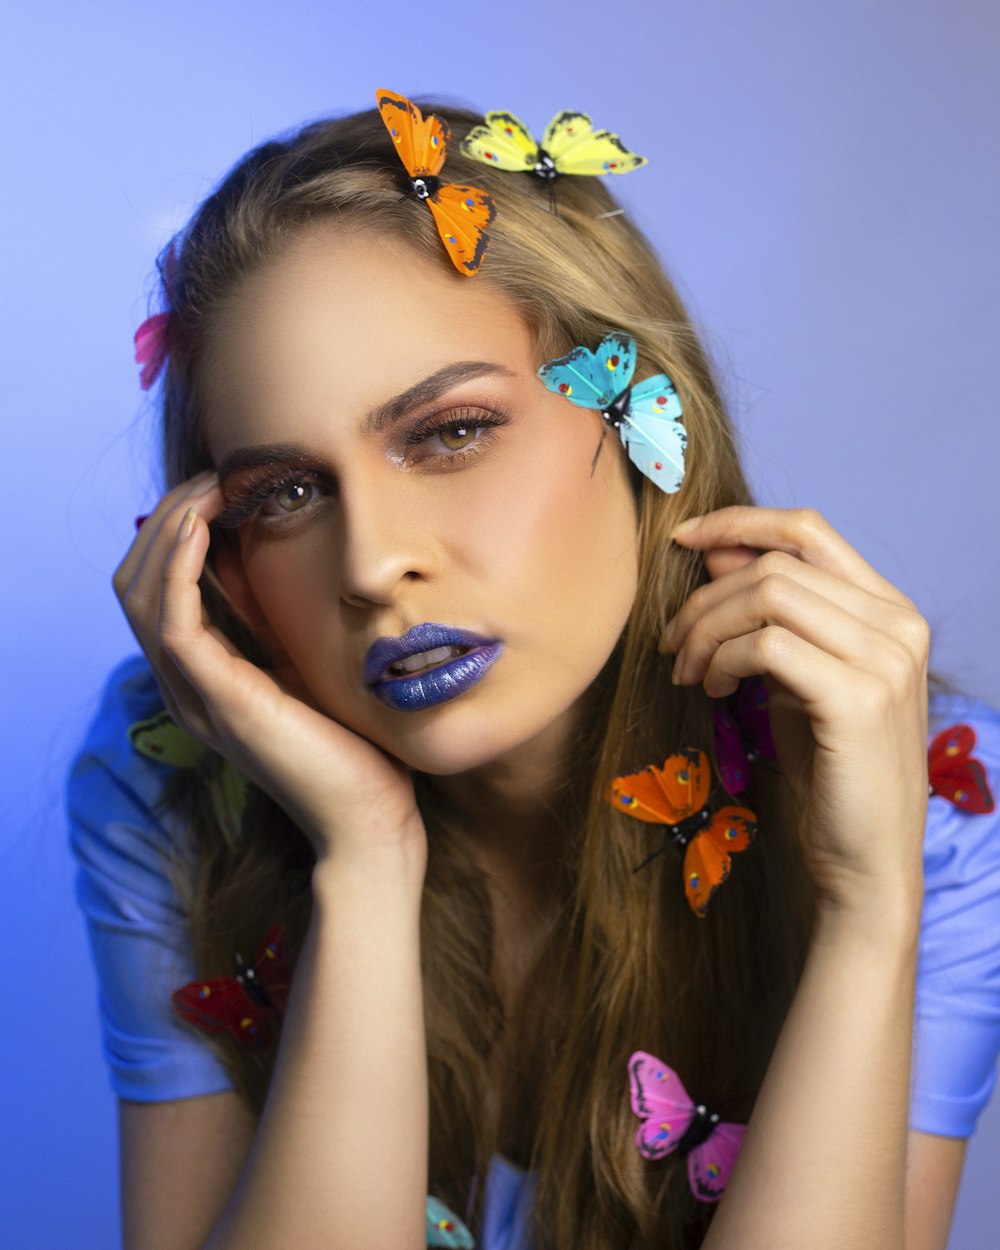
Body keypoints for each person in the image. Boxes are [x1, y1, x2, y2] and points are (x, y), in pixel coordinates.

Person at [68, 92, 1000, 1250]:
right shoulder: (170, 792)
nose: (371, 562)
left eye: (450, 430)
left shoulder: (929, 803)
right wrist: (363, 856)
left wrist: (869, 909)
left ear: (642, 412)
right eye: (285, 494)